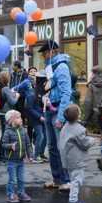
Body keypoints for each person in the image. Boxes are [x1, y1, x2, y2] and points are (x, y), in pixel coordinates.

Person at [39, 40, 72, 190]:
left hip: (58, 110)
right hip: (49, 109)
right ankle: (57, 178)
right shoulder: (50, 67)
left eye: (45, 53)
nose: (44, 56)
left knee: (61, 147)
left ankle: (67, 180)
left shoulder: (62, 67)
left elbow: (66, 93)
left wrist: (61, 117)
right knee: (52, 147)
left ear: (53, 52)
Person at [59, 104, 94, 203]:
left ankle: (73, 199)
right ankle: (73, 201)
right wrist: (92, 140)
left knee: (73, 178)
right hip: (77, 160)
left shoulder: (66, 126)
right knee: (77, 180)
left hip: (67, 158)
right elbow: (85, 143)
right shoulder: (79, 130)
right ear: (77, 115)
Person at [1, 109, 32, 203]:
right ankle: (11, 194)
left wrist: (30, 155)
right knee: (12, 179)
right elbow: (3, 144)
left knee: (21, 178)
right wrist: (10, 146)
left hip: (21, 160)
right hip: (11, 161)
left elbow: (28, 144)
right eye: (18, 118)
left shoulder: (23, 130)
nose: (21, 119)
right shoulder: (8, 132)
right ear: (12, 120)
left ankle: (21, 193)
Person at [16, 67, 46, 163]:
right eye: (31, 72)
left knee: (42, 136)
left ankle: (39, 154)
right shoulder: (30, 92)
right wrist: (39, 116)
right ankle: (34, 155)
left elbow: (41, 104)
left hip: (40, 116)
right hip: (34, 117)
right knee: (38, 135)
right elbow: (29, 108)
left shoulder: (39, 91)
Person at [0, 72, 21, 162]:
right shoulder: (5, 89)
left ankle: (1, 156)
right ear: (6, 79)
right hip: (6, 114)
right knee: (6, 136)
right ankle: (3, 156)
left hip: (0, 113)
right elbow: (13, 102)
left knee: (3, 135)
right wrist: (16, 96)